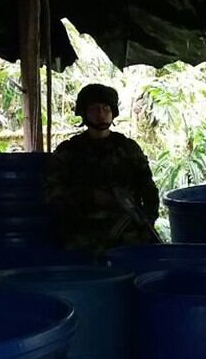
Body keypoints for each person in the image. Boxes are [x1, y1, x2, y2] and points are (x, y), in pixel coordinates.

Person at [46, 84, 160, 256]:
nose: (101, 114)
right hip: (84, 235)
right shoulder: (69, 151)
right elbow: (52, 194)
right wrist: (90, 197)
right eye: (94, 109)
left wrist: (147, 220)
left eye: (106, 108)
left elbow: (148, 190)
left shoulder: (127, 148)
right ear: (84, 113)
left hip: (127, 234)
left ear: (113, 112)